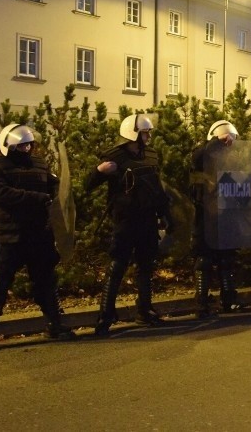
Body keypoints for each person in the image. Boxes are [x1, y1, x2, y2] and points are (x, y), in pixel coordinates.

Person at [0, 124, 76, 353]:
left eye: (29, 144)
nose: (27, 148)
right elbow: (0, 194)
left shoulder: (39, 164)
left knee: (46, 281)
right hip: (10, 235)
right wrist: (36, 198)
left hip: (38, 233)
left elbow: (55, 186)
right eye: (21, 145)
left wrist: (59, 194)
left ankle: (55, 327)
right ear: (9, 146)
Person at [85, 114, 173, 336]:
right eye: (145, 132)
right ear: (133, 134)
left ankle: (144, 311)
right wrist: (99, 171)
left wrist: (164, 213)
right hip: (125, 220)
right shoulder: (114, 157)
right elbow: (87, 184)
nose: (149, 136)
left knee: (146, 266)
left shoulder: (150, 155)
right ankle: (105, 316)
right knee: (117, 267)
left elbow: (157, 187)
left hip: (147, 219)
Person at [190, 119, 244, 317]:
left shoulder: (232, 161)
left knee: (227, 259)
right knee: (203, 261)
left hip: (227, 216)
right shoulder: (202, 156)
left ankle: (229, 301)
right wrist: (215, 142)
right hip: (206, 217)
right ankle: (201, 304)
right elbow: (197, 156)